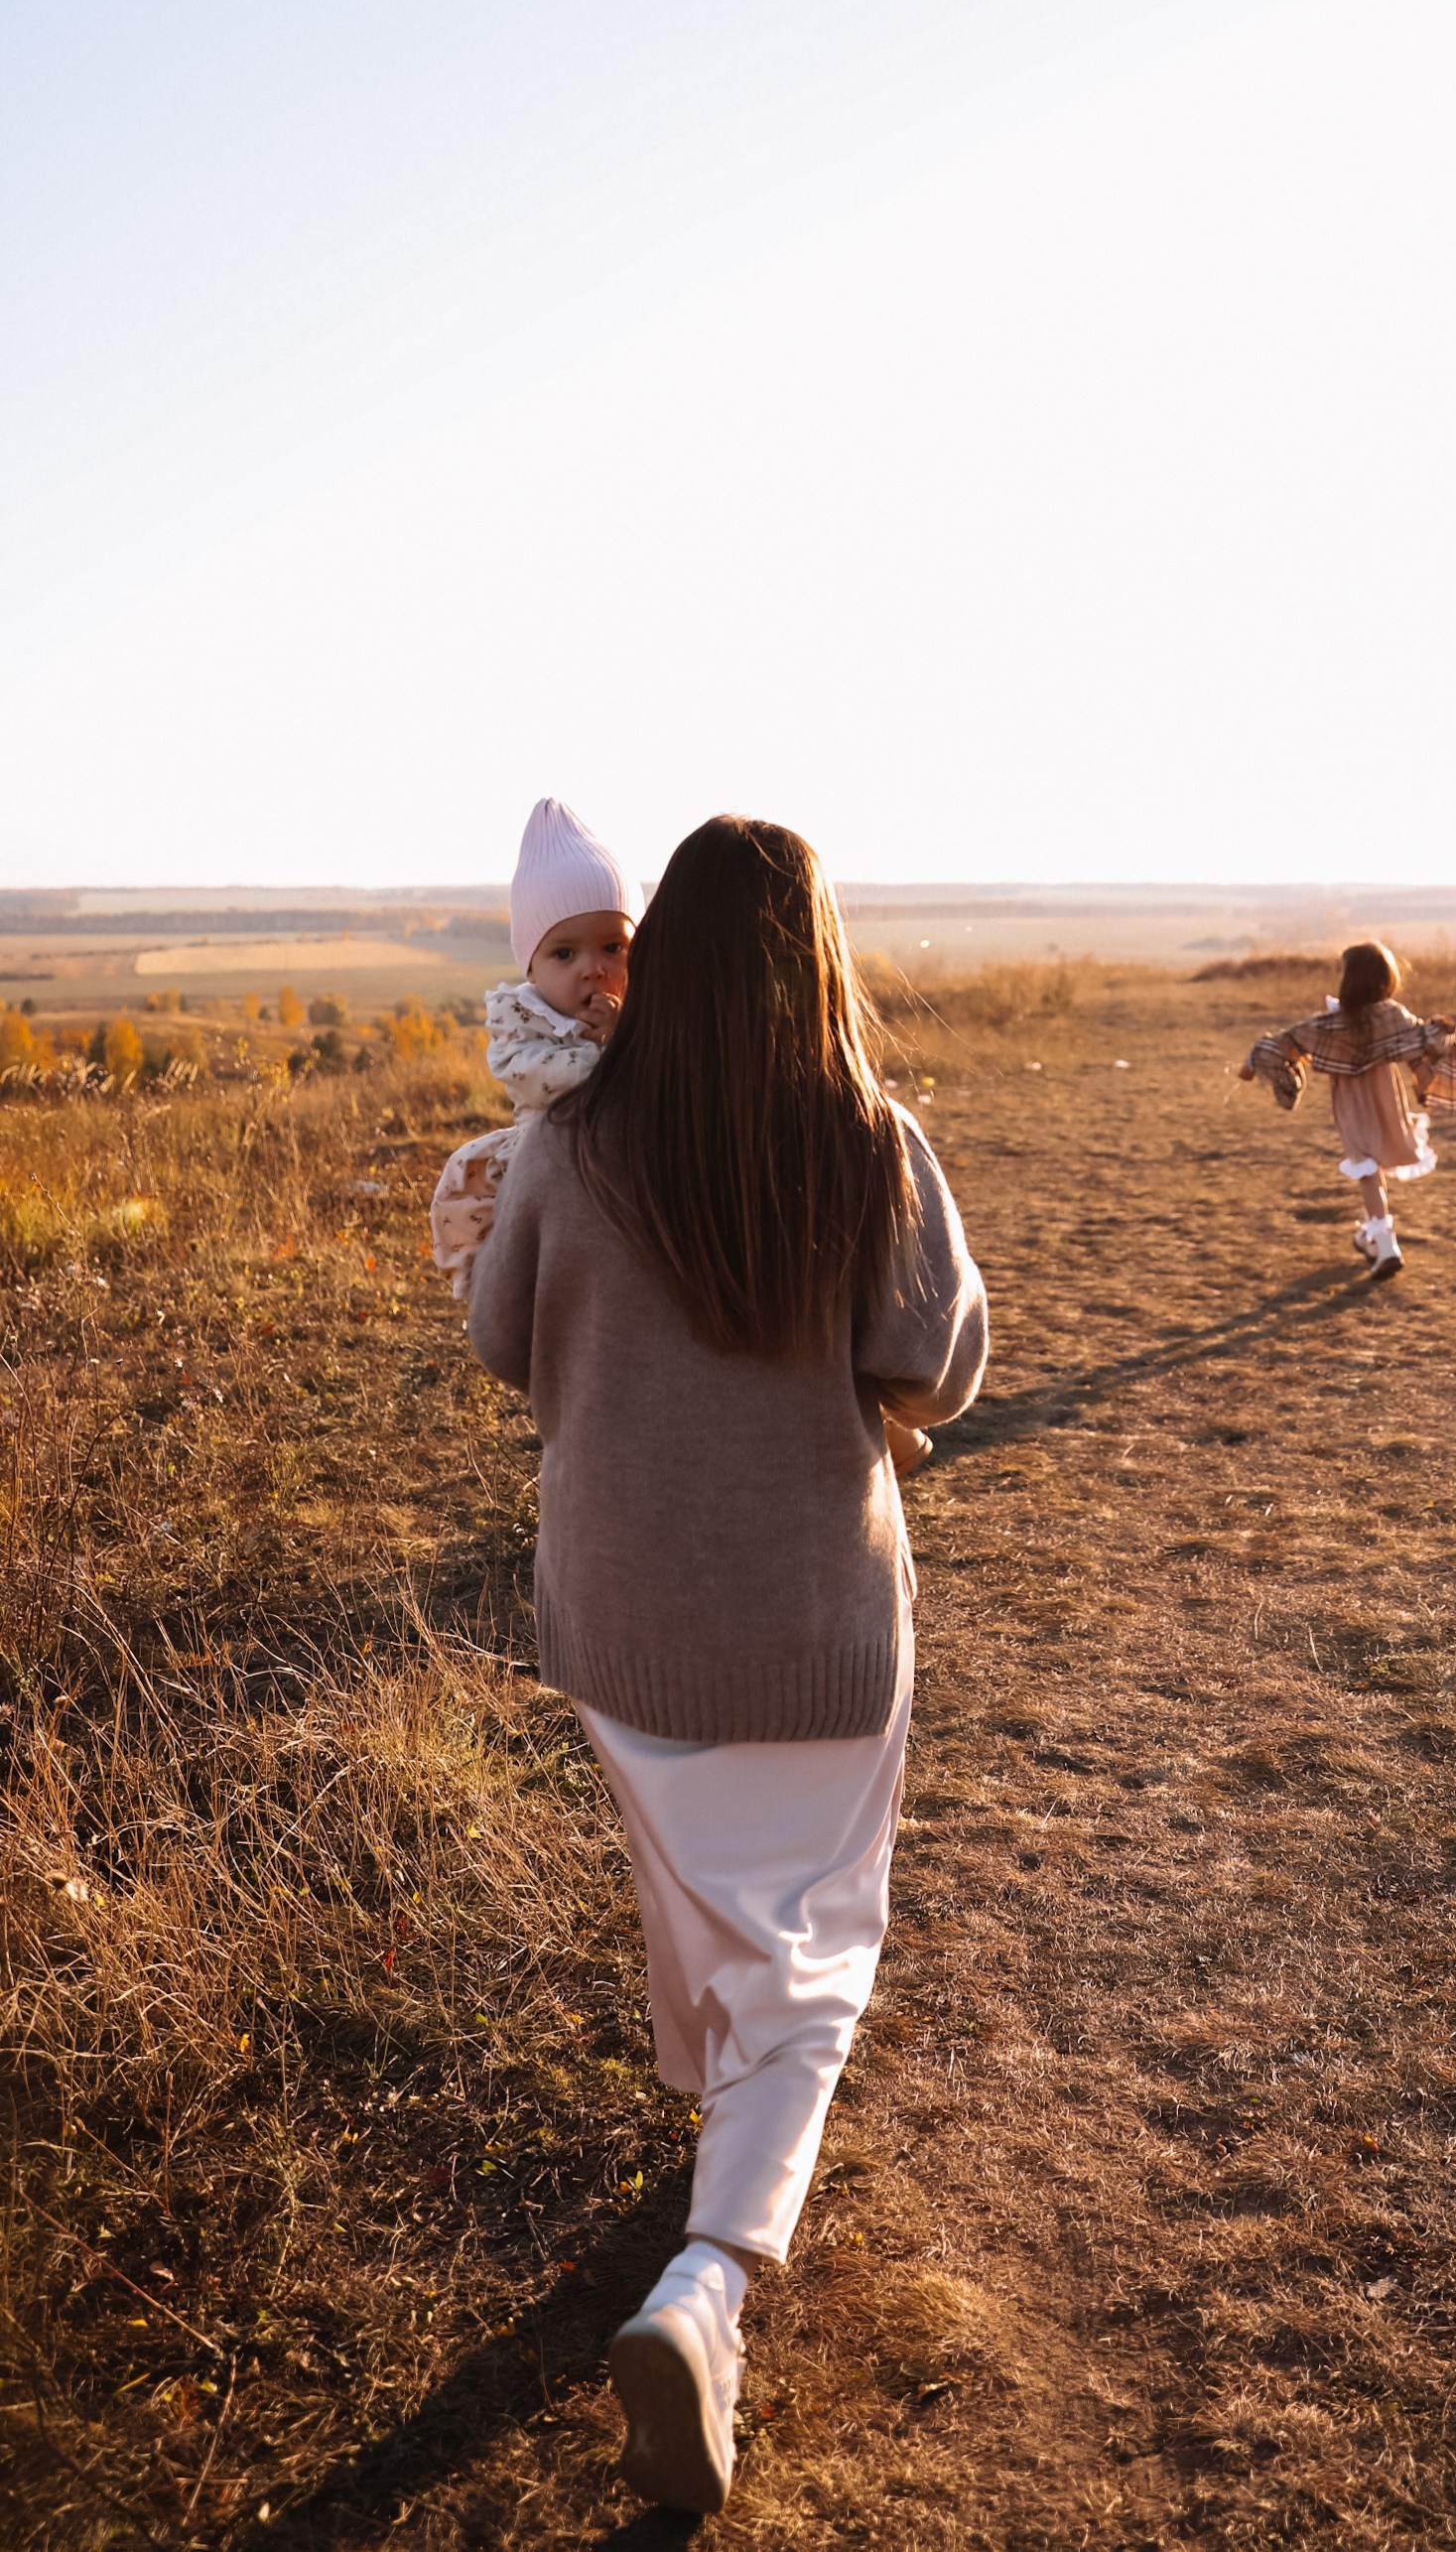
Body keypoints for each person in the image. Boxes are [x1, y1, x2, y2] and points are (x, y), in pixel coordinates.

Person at [467, 815, 988, 2515]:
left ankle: (717, 2129)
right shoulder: (868, 1141)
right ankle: (706, 2290)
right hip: (812, 1627)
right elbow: (938, 1367)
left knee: (707, 1903)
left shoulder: (569, 1145)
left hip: (620, 1623)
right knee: (812, 1968)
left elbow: (502, 1343)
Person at [429, 797, 635, 1301]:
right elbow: (534, 1074)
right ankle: (503, 1297)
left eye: (613, 947)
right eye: (564, 953)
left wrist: (626, 1035)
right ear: (532, 968)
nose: (593, 968)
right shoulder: (523, 1019)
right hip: (547, 1155)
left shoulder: (645, 1014)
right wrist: (607, 1053)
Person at [1240, 940, 1456, 1277]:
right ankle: (1370, 1235)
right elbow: (1418, 1041)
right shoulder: (1391, 1015)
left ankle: (1385, 1242)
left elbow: (1286, 1044)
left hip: (1352, 1099)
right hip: (1386, 1093)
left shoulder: (1331, 1022)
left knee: (1366, 1165)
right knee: (1373, 1163)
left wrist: (1253, 1063)